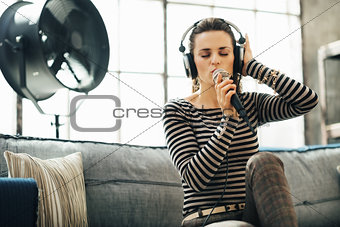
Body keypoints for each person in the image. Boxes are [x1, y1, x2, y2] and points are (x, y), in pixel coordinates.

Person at [162, 17, 319, 227]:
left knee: (263, 161)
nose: (215, 60)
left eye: (224, 53)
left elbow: (306, 100)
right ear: (191, 64)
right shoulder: (177, 110)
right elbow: (195, 179)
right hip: (206, 218)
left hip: (251, 215)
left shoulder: (250, 103)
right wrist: (228, 118)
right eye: (205, 54)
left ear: (235, 59)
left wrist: (253, 67)